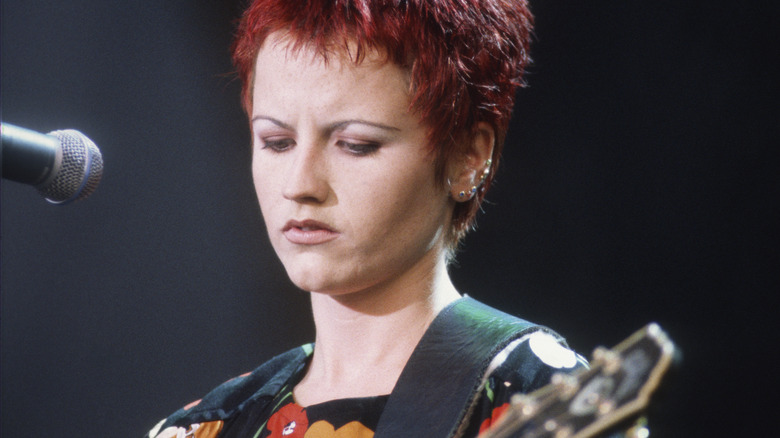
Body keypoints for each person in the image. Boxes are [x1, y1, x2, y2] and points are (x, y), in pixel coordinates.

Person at [146, 1, 587, 437]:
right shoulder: (207, 426)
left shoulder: (534, 392)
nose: (299, 185)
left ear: (468, 157)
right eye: (277, 142)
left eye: (356, 144)